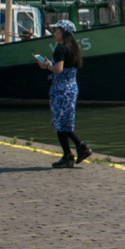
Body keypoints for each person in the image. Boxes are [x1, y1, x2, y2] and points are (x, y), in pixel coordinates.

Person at [35, 19, 92, 168]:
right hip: (72, 87)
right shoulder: (73, 47)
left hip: (61, 90)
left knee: (60, 124)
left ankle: (69, 154)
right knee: (66, 122)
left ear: (63, 32)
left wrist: (46, 65)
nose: (54, 33)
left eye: (56, 31)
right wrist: (51, 64)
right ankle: (79, 149)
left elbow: (58, 69)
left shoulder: (60, 48)